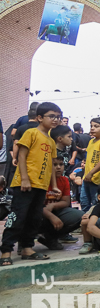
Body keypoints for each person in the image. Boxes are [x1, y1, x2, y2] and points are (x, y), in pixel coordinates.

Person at [0, 102, 61, 265]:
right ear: (40, 118)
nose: (55, 120)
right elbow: (21, 155)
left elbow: (52, 164)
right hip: (24, 184)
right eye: (52, 116)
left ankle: (27, 248)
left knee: (34, 218)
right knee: (18, 216)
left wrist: (53, 185)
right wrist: (25, 178)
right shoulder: (31, 133)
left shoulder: (51, 141)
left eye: (58, 117)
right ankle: (6, 250)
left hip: (41, 186)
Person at [37, 156, 83, 250]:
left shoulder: (64, 180)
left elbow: (66, 202)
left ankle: (51, 238)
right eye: (55, 165)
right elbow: (35, 205)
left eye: (61, 164)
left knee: (81, 216)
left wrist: (53, 205)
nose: (58, 167)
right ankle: (24, 242)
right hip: (38, 213)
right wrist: (50, 216)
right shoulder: (39, 180)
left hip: (55, 211)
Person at [81, 117, 100, 213]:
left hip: (98, 180)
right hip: (87, 178)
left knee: (96, 204)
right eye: (91, 126)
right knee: (84, 202)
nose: (92, 128)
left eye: (96, 126)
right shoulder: (91, 141)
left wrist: (91, 173)